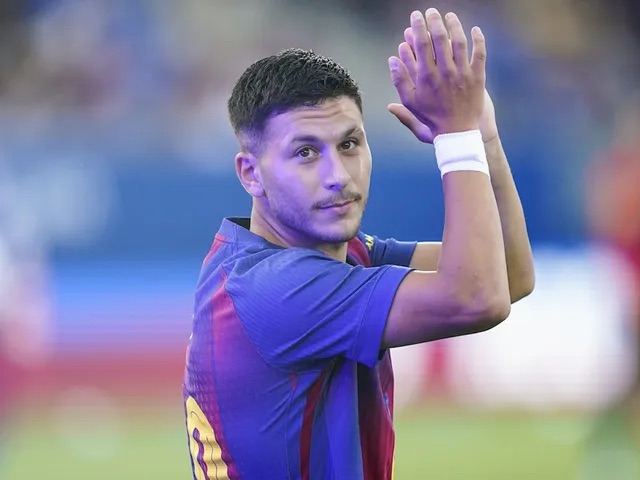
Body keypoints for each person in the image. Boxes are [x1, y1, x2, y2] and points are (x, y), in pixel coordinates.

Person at [183, 8, 534, 480]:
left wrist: (482, 138)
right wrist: (456, 138)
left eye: (349, 144)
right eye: (306, 152)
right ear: (251, 174)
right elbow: (477, 297)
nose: (338, 176)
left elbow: (508, 274)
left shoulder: (327, 255)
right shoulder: (277, 290)